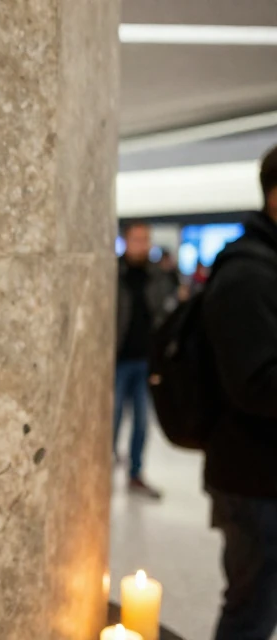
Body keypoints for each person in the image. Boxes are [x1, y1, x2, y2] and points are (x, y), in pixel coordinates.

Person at [202, 144, 277, 640]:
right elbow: (254, 384)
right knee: (251, 612)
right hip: (252, 480)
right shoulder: (247, 273)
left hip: (263, 473)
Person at [113, 223, 174, 499]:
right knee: (112, 418)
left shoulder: (157, 276)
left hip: (145, 361)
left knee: (141, 421)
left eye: (145, 239)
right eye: (136, 239)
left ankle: (136, 473)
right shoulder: (115, 273)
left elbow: (164, 315)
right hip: (118, 359)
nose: (141, 244)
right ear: (126, 241)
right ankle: (103, 467)